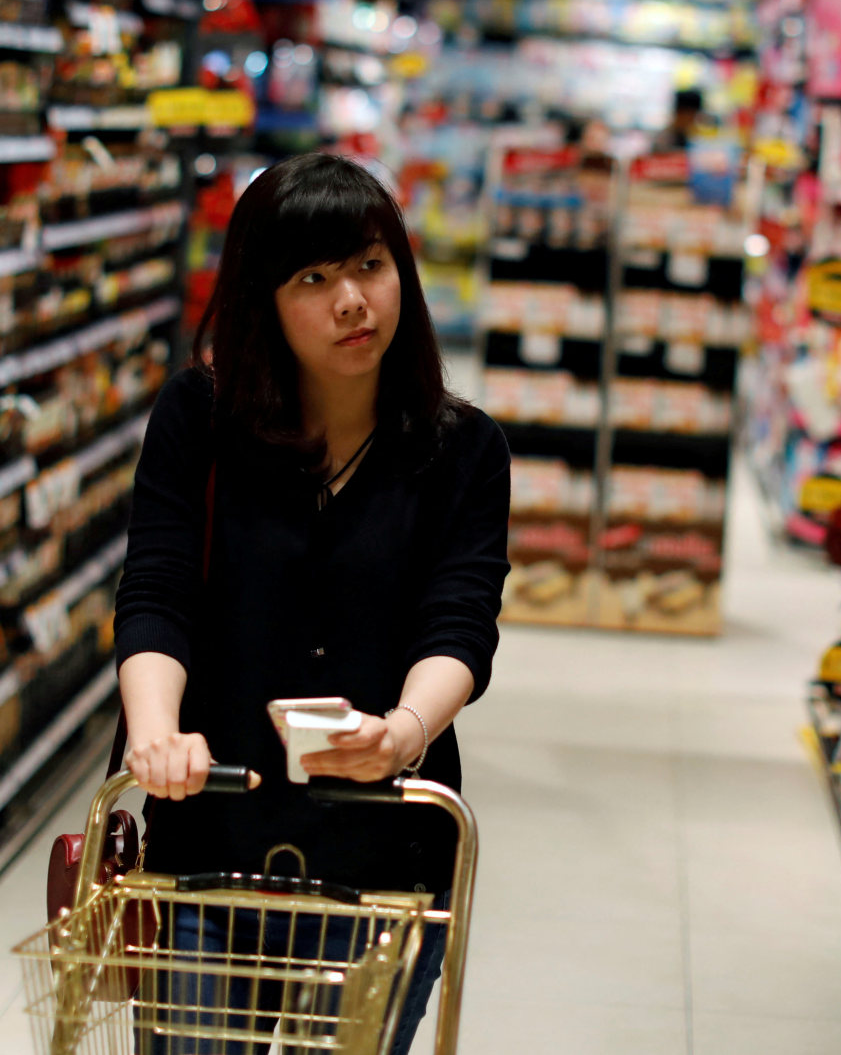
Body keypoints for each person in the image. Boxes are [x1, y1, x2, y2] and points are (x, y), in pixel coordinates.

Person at [113, 153, 511, 1054]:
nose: (351, 301)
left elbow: (461, 617)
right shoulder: (200, 418)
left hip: (387, 854)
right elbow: (158, 588)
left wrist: (405, 732)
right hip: (207, 840)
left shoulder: (463, 450)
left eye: (370, 266)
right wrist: (154, 730)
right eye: (313, 278)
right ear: (263, 297)